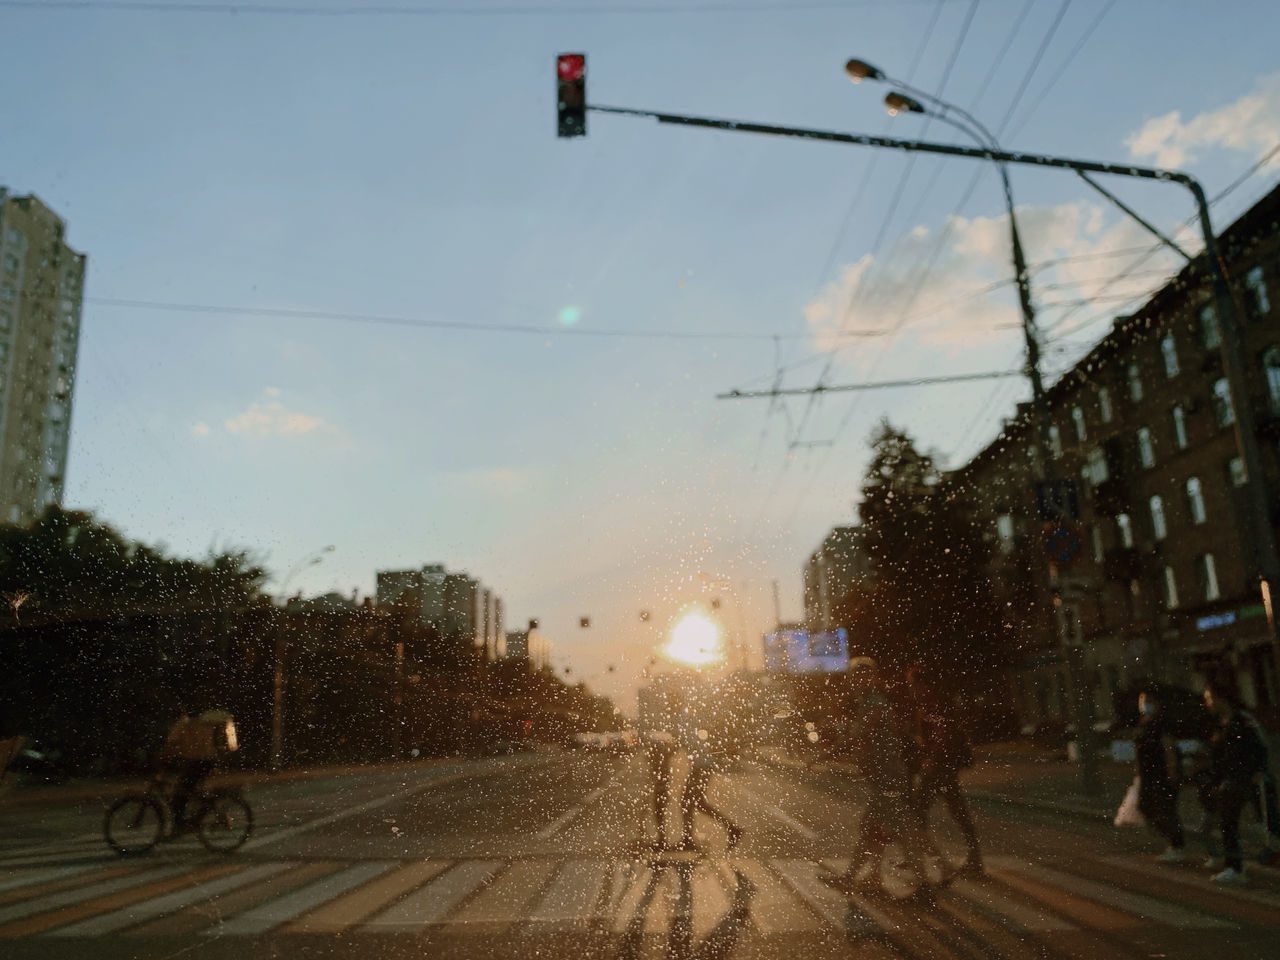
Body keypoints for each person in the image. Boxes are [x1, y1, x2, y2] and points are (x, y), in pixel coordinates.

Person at [836, 656, 925, 894]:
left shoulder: (873, 701)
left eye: (864, 675)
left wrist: (839, 751)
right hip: (885, 774)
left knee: (893, 830)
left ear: (873, 678)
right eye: (856, 675)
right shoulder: (869, 700)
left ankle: (923, 886)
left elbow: (866, 733)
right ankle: (872, 878)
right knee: (879, 829)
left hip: (889, 775)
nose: (859, 679)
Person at [906, 665, 982, 874]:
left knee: (918, 810)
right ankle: (972, 858)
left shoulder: (932, 703)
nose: (912, 689)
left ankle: (923, 856)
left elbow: (942, 733)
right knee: (955, 808)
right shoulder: (931, 702)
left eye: (913, 684)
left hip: (941, 764)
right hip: (943, 763)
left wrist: (931, 758)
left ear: (923, 684)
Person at [1202, 675, 1269, 885]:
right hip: (1226, 782)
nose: (1207, 703)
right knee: (1224, 824)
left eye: (1209, 698)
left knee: (1229, 824)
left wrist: (1254, 775)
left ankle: (1235, 868)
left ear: (1222, 698)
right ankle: (1229, 863)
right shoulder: (1221, 723)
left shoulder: (1241, 721)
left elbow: (1258, 750)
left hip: (1238, 782)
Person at [675, 690, 741, 852]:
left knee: (690, 802)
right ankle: (729, 829)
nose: (667, 706)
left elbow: (681, 743)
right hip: (701, 764)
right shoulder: (686, 718)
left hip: (701, 765)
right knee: (694, 802)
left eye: (670, 703)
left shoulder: (682, 719)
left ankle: (730, 829)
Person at [159, 707, 238, 829]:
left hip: (196, 762)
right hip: (206, 761)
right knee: (188, 790)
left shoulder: (184, 724)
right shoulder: (205, 723)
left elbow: (172, 743)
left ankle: (182, 824)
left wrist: (164, 758)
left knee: (181, 793)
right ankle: (192, 817)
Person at [1133, 689, 1187, 864]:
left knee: (1165, 809)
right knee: (1146, 807)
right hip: (1147, 775)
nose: (1144, 704)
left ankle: (1177, 846)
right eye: (1142, 700)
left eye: (1148, 700)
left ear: (1157, 703)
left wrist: (1172, 772)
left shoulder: (1161, 723)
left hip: (1161, 774)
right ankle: (1174, 842)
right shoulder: (1144, 723)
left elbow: (1168, 747)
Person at [644, 730, 677, 849]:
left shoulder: (658, 756)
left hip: (662, 782)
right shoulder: (663, 754)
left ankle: (662, 839)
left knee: (658, 810)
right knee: (659, 810)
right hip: (663, 781)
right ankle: (662, 838)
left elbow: (657, 770)